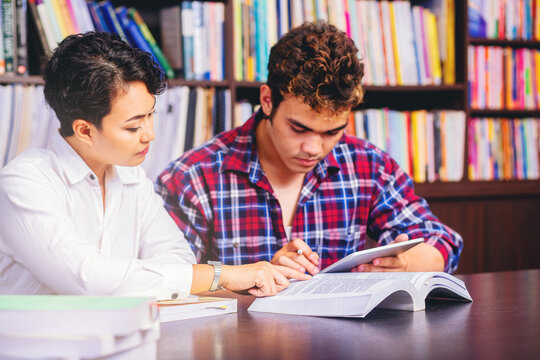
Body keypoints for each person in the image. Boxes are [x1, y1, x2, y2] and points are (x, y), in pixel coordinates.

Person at [0, 32, 310, 298]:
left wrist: (143, 279)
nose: (150, 134)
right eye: (133, 126)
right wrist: (222, 275)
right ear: (84, 130)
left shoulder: (131, 176)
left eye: (151, 115)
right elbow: (89, 279)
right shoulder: (24, 183)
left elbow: (178, 261)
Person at [156, 21, 464, 276]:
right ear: (267, 101)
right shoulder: (192, 178)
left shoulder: (368, 166)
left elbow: (442, 241)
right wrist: (251, 279)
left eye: (332, 132)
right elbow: (165, 282)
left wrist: (408, 264)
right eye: (299, 128)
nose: (313, 148)